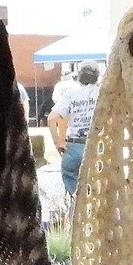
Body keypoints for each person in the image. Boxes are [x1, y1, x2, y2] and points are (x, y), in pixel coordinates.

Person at [49, 63, 100, 199]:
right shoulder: (103, 94)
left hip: (74, 146)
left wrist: (58, 143)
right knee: (97, 189)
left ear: (79, 77)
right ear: (97, 77)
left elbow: (51, 119)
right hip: (97, 147)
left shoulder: (71, 95)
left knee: (74, 194)